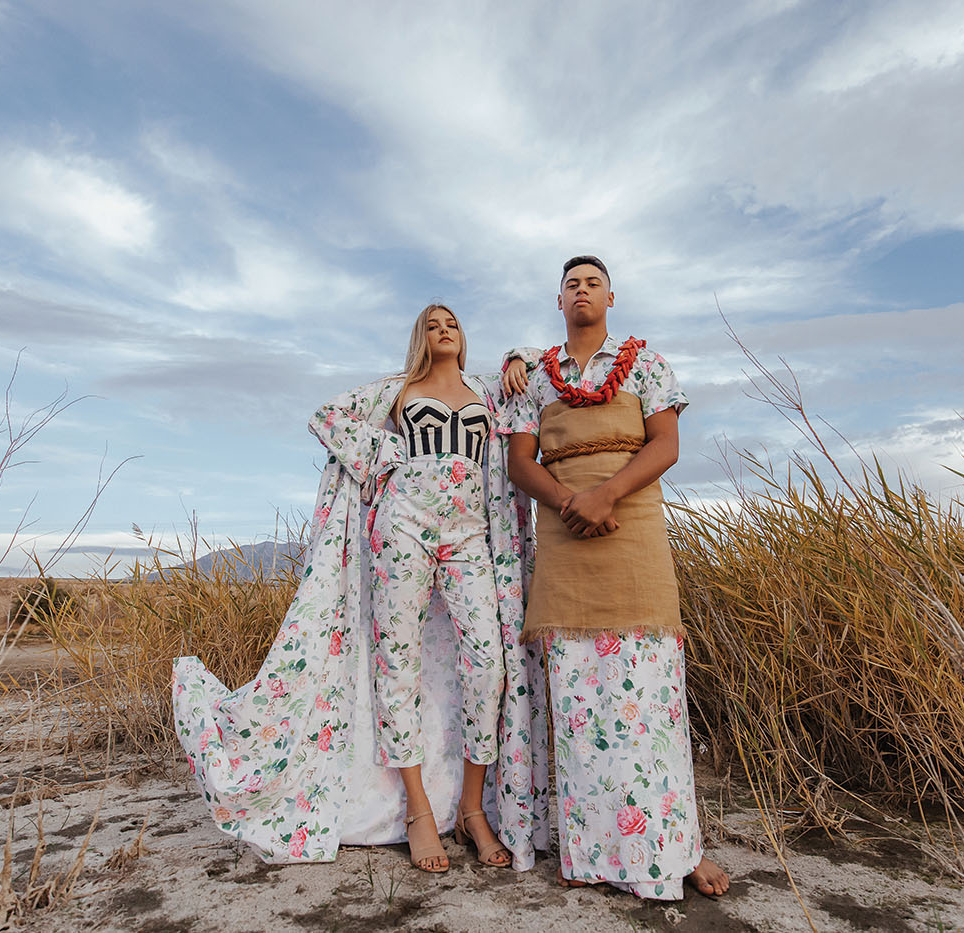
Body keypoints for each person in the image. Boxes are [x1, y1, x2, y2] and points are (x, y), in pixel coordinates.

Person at [173, 303, 551, 874]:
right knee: (396, 663)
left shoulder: (488, 389)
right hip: (402, 526)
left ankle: (474, 807)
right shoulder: (397, 391)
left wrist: (518, 355)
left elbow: (544, 368)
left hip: (471, 531)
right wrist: (386, 453)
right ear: (419, 337)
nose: (444, 330)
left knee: (489, 664)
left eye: (452, 323)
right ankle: (419, 812)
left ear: (464, 336)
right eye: (432, 324)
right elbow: (326, 415)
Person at [504, 256, 731, 899]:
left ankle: (674, 852)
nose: (582, 290)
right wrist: (571, 502)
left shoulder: (647, 363)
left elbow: (666, 445)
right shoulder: (532, 376)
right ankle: (595, 856)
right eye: (571, 284)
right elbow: (522, 461)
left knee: (650, 699)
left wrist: (605, 495)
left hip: (630, 530)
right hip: (563, 531)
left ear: (611, 296)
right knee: (580, 702)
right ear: (559, 299)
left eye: (592, 283)